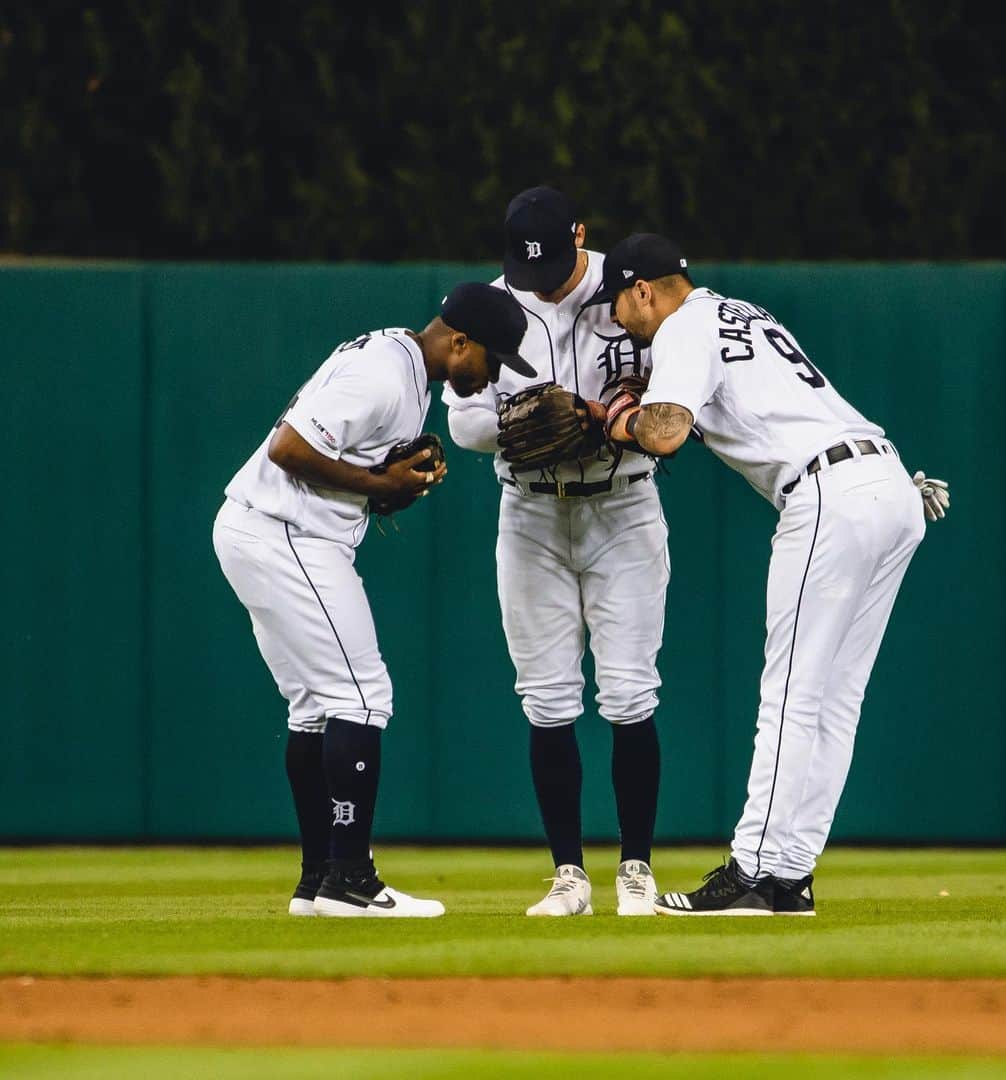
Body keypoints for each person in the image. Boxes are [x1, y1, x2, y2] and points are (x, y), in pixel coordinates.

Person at [592, 233, 949, 916]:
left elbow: (663, 432)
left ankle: (753, 870)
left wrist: (616, 421)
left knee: (790, 692)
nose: (618, 319)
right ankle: (789, 873)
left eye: (620, 304)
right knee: (835, 699)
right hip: (891, 485)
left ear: (644, 289)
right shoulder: (741, 312)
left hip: (828, 494)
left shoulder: (684, 326)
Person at [213, 283, 532, 917]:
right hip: (287, 533)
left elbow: (330, 452)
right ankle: (351, 879)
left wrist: (384, 486)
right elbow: (289, 448)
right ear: (459, 340)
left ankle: (316, 881)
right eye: (491, 360)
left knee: (313, 708)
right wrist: (374, 481)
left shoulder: (401, 361)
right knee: (362, 697)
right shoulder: (386, 375)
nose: (492, 375)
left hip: (263, 530)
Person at [444, 187, 671, 916]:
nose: (535, 276)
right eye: (524, 263)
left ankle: (636, 868)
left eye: (549, 258)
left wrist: (619, 416)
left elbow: (688, 387)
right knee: (546, 700)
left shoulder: (629, 288)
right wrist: (530, 416)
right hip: (532, 515)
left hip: (625, 504)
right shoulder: (492, 301)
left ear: (581, 233)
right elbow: (464, 422)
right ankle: (569, 875)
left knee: (631, 693)